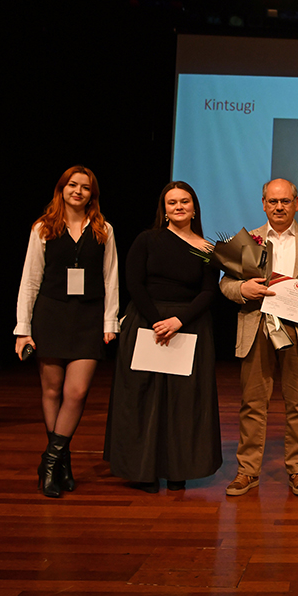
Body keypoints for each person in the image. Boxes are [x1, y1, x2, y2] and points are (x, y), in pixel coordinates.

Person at [220, 179, 298, 497]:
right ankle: (247, 471)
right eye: (273, 201)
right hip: (257, 326)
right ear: (263, 204)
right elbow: (225, 283)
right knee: (252, 404)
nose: (279, 207)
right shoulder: (248, 241)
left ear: (296, 204)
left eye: (285, 201)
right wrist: (242, 289)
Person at [103, 182, 222, 493]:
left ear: (194, 208)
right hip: (147, 324)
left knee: (183, 402)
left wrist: (179, 320)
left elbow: (209, 291)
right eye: (172, 202)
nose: (179, 206)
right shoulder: (147, 239)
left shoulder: (208, 249)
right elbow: (134, 283)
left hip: (189, 325)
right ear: (164, 209)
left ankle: (178, 470)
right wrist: (157, 321)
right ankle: (143, 471)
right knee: (143, 399)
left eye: (185, 201)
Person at [15, 165, 119, 498]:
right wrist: (22, 329)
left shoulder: (103, 229)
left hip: (88, 317)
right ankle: (62, 462)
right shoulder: (43, 228)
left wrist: (110, 322)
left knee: (76, 392)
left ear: (92, 194)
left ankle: (49, 461)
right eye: (72, 185)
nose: (78, 191)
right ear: (61, 189)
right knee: (51, 391)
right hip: (50, 315)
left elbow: (111, 279)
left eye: (85, 187)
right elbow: (30, 280)